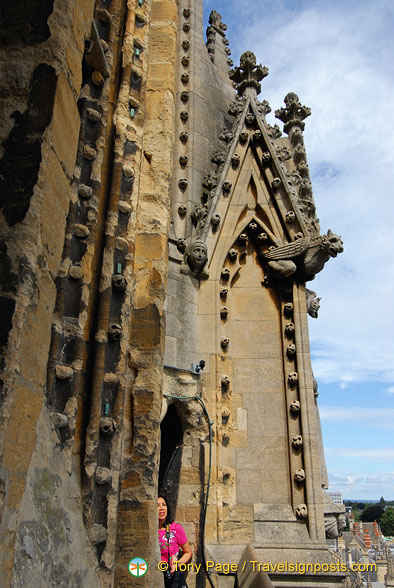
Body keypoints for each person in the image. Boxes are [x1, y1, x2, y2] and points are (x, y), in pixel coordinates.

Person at [158, 495, 192, 587]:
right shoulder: (148, 532)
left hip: (173, 578)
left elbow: (188, 552)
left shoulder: (175, 528)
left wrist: (177, 565)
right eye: (157, 506)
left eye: (163, 505)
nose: (161, 508)